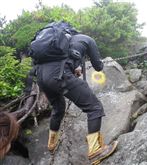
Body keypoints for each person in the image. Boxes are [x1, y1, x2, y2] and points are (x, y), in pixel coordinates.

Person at [34, 27, 118, 164]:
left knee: (58, 107)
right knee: (94, 108)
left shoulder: (56, 45)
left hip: (41, 78)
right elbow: (98, 67)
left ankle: (51, 144)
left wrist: (73, 68)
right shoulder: (87, 39)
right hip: (59, 77)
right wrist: (100, 63)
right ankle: (96, 150)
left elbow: (62, 62)